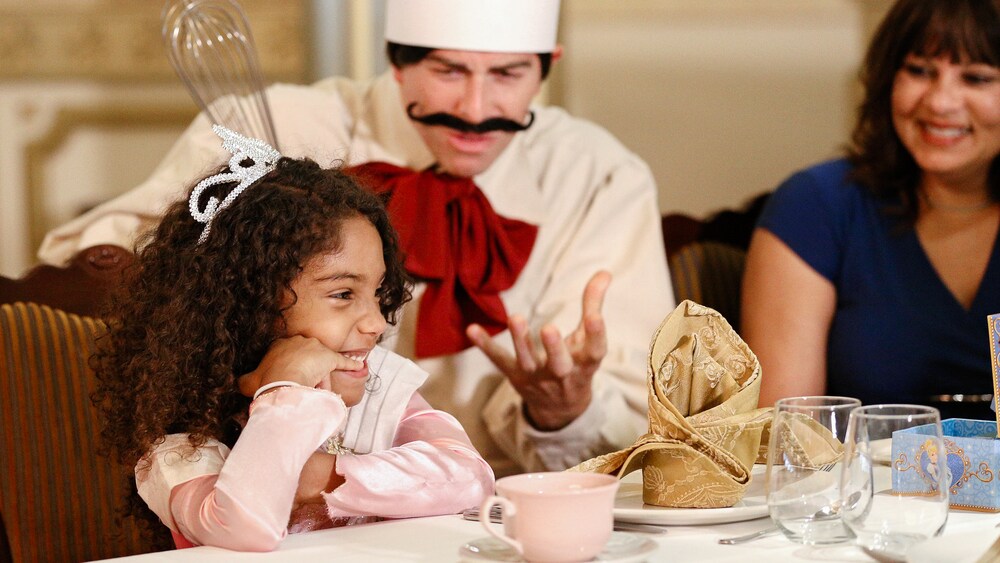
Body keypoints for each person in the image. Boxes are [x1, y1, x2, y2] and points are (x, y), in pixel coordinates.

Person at [41, 0, 673, 475]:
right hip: (282, 492)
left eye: (508, 75)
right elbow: (105, 259)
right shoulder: (276, 126)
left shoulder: (598, 176)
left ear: (546, 67)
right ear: (396, 63)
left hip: (493, 504)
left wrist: (560, 409)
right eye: (448, 71)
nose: (477, 108)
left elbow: (623, 423)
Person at [93, 125, 494, 551]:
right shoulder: (178, 451)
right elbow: (244, 527)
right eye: (343, 294)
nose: (376, 322)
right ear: (248, 303)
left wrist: (318, 475)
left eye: (377, 292)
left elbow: (470, 477)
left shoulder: (376, 386)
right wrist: (285, 394)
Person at [742, 0, 1000, 420]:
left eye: (976, 78)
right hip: (853, 484)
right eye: (919, 70)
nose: (940, 102)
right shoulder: (815, 205)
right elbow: (787, 436)